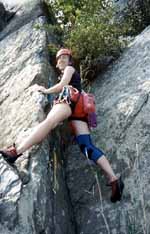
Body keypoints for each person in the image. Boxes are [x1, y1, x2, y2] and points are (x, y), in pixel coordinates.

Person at [0, 48, 124, 203]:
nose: (62, 60)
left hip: (69, 97)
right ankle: (114, 179)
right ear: (57, 64)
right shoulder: (69, 73)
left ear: (70, 61)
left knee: (49, 123)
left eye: (65, 57)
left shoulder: (70, 69)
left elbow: (62, 85)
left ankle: (16, 152)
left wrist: (45, 90)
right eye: (60, 58)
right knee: (86, 146)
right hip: (77, 111)